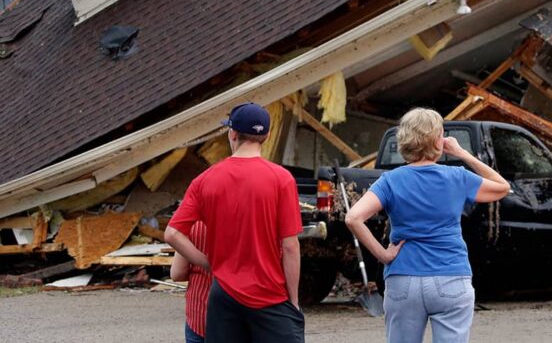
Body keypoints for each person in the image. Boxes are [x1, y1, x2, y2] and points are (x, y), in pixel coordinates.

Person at [345, 108, 511, 343]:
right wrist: (463, 153)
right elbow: (502, 187)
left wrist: (383, 255)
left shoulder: (390, 181)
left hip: (403, 278)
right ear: (438, 140)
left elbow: (353, 218)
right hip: (450, 276)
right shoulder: (457, 177)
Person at [164, 102, 304, 343]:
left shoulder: (204, 180)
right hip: (269, 294)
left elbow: (173, 233)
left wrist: (209, 264)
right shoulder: (282, 179)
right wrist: (293, 300)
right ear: (267, 136)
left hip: (224, 295)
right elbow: (290, 246)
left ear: (232, 133)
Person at [170, 221, 212, 343]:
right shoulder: (252, 217)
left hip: (201, 313)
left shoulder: (193, 223)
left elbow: (177, 273)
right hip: (242, 314)